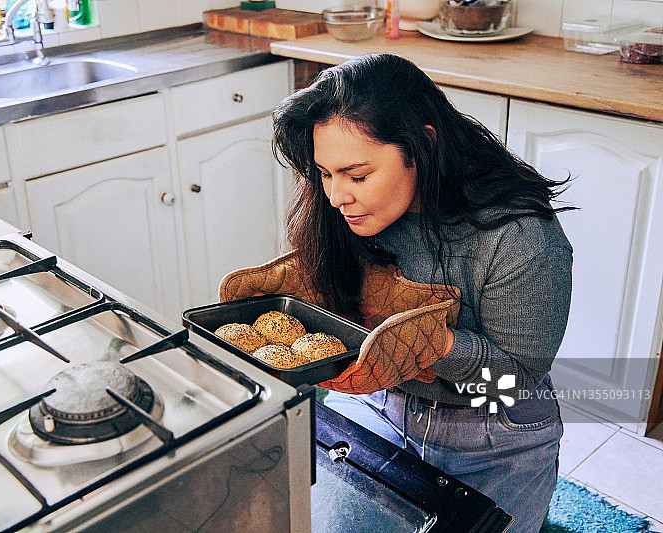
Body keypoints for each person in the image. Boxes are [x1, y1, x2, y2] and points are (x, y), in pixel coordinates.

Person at [222, 53, 573, 532]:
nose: (335, 196)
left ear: (423, 145)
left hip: (496, 432)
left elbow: (515, 384)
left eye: (357, 175)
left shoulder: (522, 238)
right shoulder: (347, 214)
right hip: (378, 401)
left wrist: (433, 342)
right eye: (325, 173)